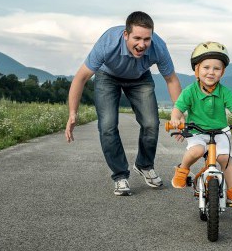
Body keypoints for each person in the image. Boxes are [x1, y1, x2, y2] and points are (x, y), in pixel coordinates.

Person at [65, 11, 182, 196]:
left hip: (140, 77)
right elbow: (81, 77)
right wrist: (73, 112)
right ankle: (120, 176)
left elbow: (172, 80)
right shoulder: (108, 43)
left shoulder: (158, 46)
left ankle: (144, 165)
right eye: (137, 38)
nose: (142, 45)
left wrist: (179, 112)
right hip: (107, 76)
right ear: (126, 35)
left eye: (147, 39)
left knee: (151, 123)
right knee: (108, 125)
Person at [168, 41, 232, 203]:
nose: (211, 72)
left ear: (223, 72)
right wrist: (175, 119)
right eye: (206, 67)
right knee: (197, 150)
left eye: (216, 68)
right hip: (197, 131)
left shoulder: (224, 92)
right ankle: (182, 170)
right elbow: (178, 108)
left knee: (225, 158)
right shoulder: (190, 91)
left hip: (220, 131)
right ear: (197, 70)